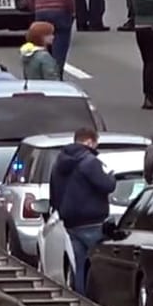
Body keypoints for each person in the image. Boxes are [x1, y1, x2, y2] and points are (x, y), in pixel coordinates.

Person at [49, 127, 116, 297]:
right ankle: (100, 300)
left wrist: (59, 209)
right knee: (99, 264)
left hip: (71, 222)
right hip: (92, 220)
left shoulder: (60, 161)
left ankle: (83, 300)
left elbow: (54, 190)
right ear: (89, 141)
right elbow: (107, 186)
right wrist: (111, 175)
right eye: (96, 143)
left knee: (79, 264)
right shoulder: (89, 161)